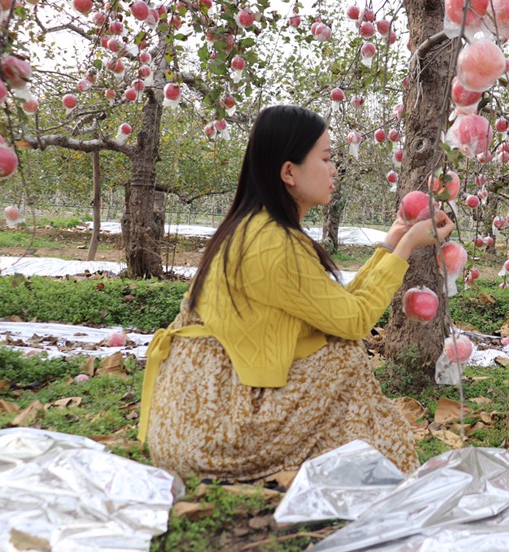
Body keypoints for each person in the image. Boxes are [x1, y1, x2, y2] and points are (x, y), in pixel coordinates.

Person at [137, 105, 454, 482]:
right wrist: (406, 249)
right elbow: (353, 321)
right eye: (325, 158)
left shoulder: (258, 229)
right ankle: (369, 470)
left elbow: (338, 309)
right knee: (342, 358)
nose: (334, 169)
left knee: (338, 347)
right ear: (289, 172)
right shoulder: (273, 244)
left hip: (197, 412)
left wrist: (392, 242)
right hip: (210, 427)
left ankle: (352, 466)